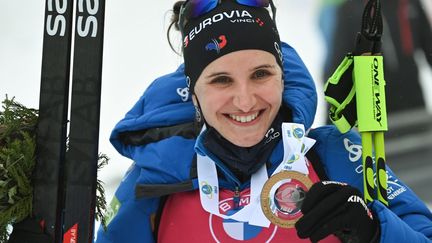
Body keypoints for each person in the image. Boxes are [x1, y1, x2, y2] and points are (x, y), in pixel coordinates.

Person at [95, 1, 432, 242]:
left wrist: (374, 231)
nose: (245, 100)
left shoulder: (332, 154)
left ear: (282, 78)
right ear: (193, 93)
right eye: (221, 80)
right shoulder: (154, 181)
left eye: (261, 74)